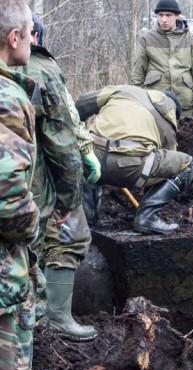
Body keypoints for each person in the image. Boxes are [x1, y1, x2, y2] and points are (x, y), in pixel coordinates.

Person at [16, 12, 98, 341]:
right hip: (32, 187)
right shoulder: (40, 68)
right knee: (68, 236)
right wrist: (69, 197)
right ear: (29, 36)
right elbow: (61, 135)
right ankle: (53, 320)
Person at [76, 85, 193, 234]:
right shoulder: (168, 122)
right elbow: (164, 170)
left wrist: (76, 131)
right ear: (173, 109)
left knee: (88, 168)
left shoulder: (123, 90)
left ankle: (87, 223)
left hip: (91, 158)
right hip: (129, 168)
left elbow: (81, 103)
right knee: (189, 164)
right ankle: (147, 217)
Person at [0, 2, 39, 370]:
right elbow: (8, 197)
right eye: (30, 35)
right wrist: (32, 233)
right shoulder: (7, 98)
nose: (32, 41)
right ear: (15, 38)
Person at [131, 0, 193, 121]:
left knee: (186, 138)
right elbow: (138, 72)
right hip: (155, 103)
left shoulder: (190, 39)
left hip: (184, 104)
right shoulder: (147, 39)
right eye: (161, 15)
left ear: (177, 16)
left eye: (168, 15)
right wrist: (135, 100)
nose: (164, 19)